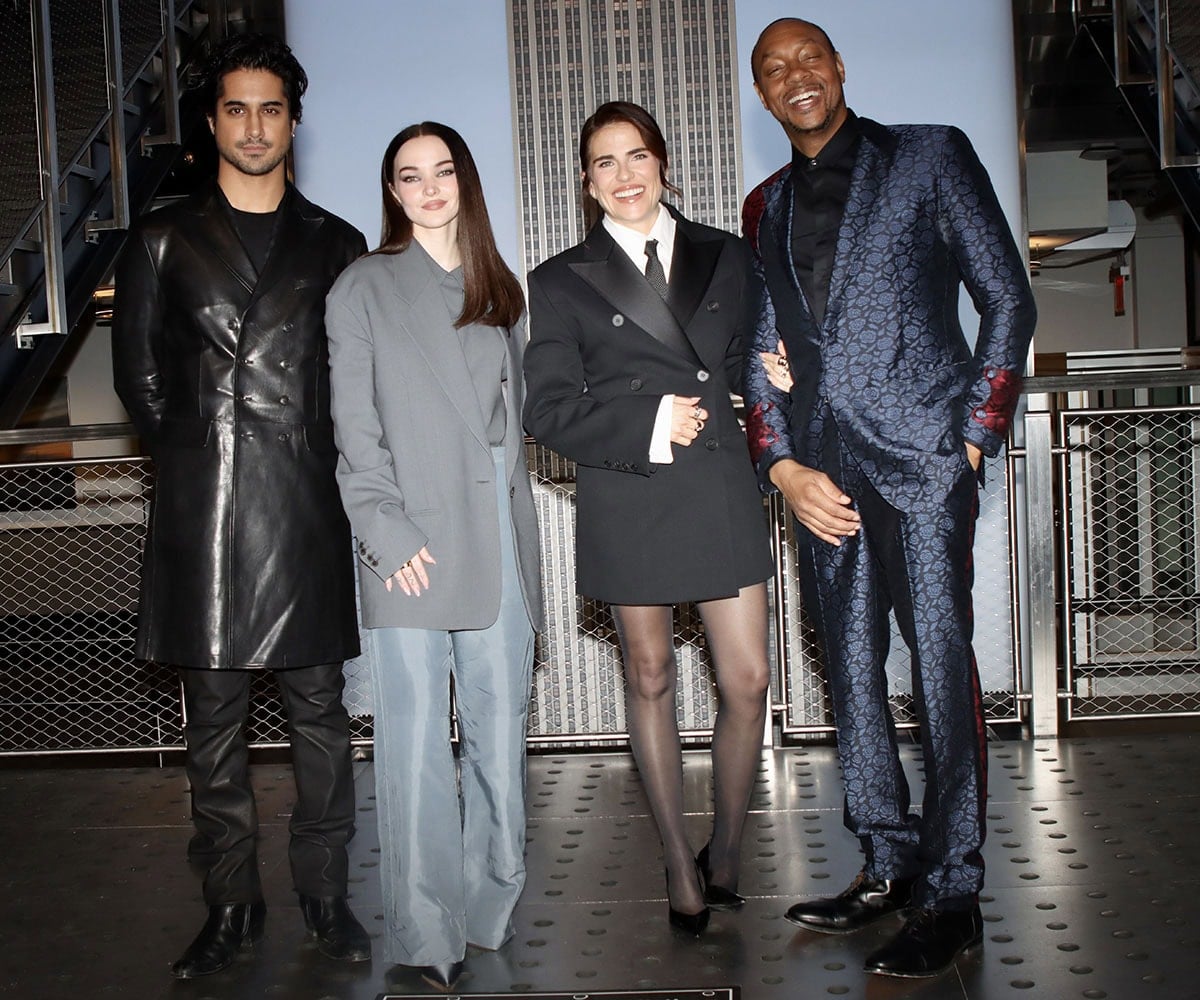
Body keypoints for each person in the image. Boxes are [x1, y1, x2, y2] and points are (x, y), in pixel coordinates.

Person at [742, 17, 1037, 978]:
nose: (795, 77)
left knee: (943, 668)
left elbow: (1008, 297)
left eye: (808, 59)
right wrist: (781, 464)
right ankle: (888, 859)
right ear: (761, 92)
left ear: (838, 67)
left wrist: (974, 436)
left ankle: (954, 885)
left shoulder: (929, 156)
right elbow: (762, 352)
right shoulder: (764, 205)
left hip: (925, 462)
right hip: (825, 478)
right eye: (774, 68)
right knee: (851, 671)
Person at [111, 33, 370, 978]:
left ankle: (327, 897)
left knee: (322, 723)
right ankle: (231, 907)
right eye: (235, 108)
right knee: (212, 731)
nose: (254, 126)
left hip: (305, 509)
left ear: (293, 121)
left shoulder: (338, 244)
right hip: (207, 512)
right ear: (212, 122)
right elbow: (141, 384)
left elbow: (354, 386)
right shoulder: (161, 240)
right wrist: (205, 456)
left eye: (271, 108)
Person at [523, 101, 773, 937]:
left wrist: (771, 377)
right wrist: (647, 423)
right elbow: (548, 410)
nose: (624, 175)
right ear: (587, 183)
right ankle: (676, 855)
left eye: (637, 157)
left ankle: (727, 847)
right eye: (604, 162)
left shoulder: (727, 255)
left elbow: (742, 362)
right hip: (631, 485)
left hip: (718, 484)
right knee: (652, 676)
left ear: (664, 164)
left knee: (748, 681)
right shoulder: (561, 279)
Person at [324, 122, 543, 993]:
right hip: (409, 539)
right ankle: (423, 932)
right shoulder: (363, 286)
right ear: (392, 192)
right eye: (409, 177)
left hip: (497, 534)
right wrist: (383, 531)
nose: (428, 188)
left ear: (465, 181)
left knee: (500, 732)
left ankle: (490, 906)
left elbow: (516, 433)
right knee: (413, 746)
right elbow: (354, 427)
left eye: (442, 172)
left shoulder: (502, 289)